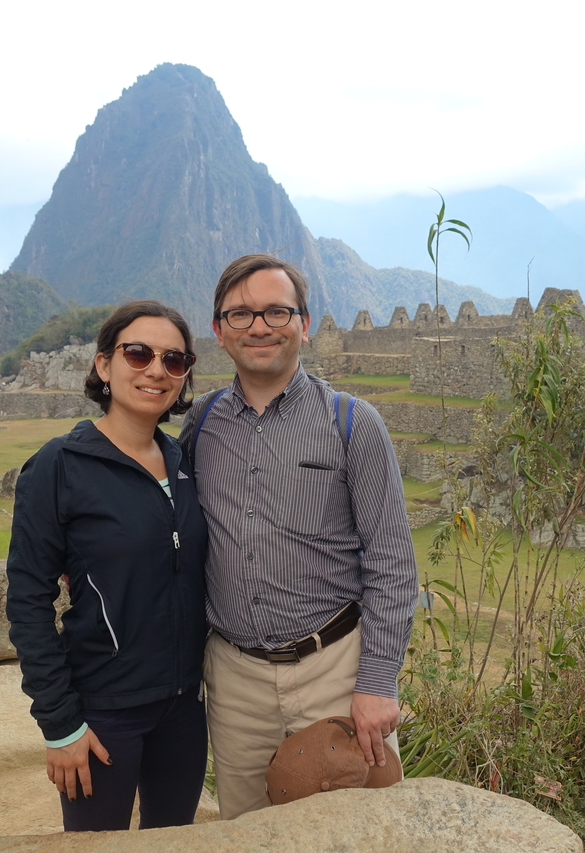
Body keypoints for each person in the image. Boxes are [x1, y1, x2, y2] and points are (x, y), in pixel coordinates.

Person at [179, 254, 418, 820]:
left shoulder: (352, 424)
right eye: (239, 314)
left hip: (332, 665)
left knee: (359, 823)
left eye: (276, 311)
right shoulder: (201, 425)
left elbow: (391, 563)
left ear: (304, 324)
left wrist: (378, 683)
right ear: (218, 331)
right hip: (236, 674)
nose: (258, 326)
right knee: (248, 824)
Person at [6, 300, 209, 832]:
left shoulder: (185, 462)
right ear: (104, 365)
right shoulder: (60, 465)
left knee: (173, 841)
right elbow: (28, 599)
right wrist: (60, 724)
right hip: (105, 709)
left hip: (184, 706)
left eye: (174, 361)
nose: (155, 371)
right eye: (137, 353)